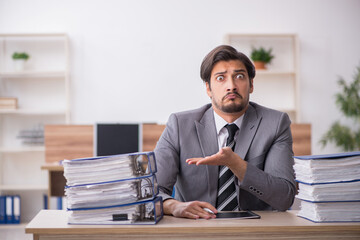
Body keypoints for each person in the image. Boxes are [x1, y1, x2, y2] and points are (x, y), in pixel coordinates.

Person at [154, 45, 296, 220]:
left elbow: (284, 197)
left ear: (251, 85)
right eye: (221, 78)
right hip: (195, 230)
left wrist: (237, 165)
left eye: (239, 77)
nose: (231, 86)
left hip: (256, 231)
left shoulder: (275, 124)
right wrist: (174, 206)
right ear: (208, 89)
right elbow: (150, 191)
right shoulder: (179, 125)